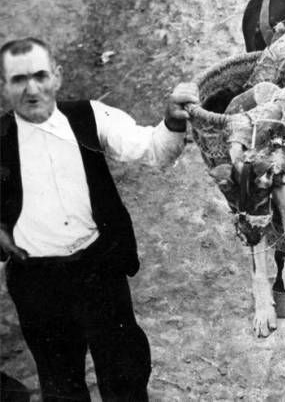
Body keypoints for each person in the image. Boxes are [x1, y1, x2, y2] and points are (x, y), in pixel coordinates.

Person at [0, 37, 199, 401]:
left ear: (57, 77)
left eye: (41, 75)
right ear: (3, 86)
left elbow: (152, 149)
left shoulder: (91, 115)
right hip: (37, 283)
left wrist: (171, 121)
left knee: (125, 373)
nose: (32, 89)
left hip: (98, 272)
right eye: (18, 79)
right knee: (61, 385)